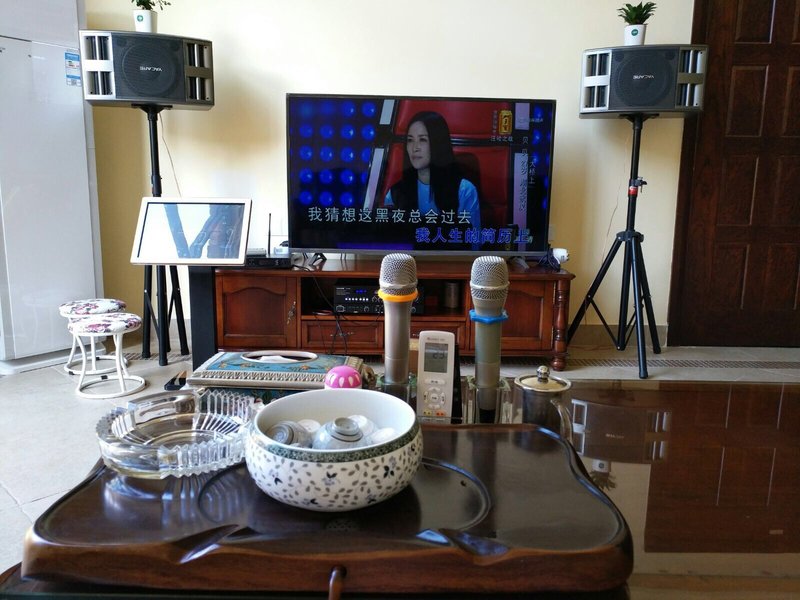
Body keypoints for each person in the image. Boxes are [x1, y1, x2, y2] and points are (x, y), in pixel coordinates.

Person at [384, 111, 481, 234]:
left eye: (422, 140)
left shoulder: (464, 191)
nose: (415, 148)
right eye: (410, 140)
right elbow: (388, 240)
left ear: (439, 143)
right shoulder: (395, 193)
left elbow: (473, 241)